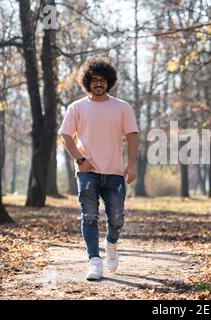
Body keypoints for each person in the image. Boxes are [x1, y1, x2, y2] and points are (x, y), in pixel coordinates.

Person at [58, 56, 139, 281]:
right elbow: (65, 135)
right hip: (87, 172)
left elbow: (132, 135)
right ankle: (94, 261)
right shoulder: (77, 107)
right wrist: (80, 159)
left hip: (114, 172)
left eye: (103, 80)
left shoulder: (122, 107)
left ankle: (111, 244)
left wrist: (131, 165)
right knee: (89, 216)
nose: (99, 84)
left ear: (109, 82)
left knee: (116, 218)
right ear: (87, 82)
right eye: (94, 80)